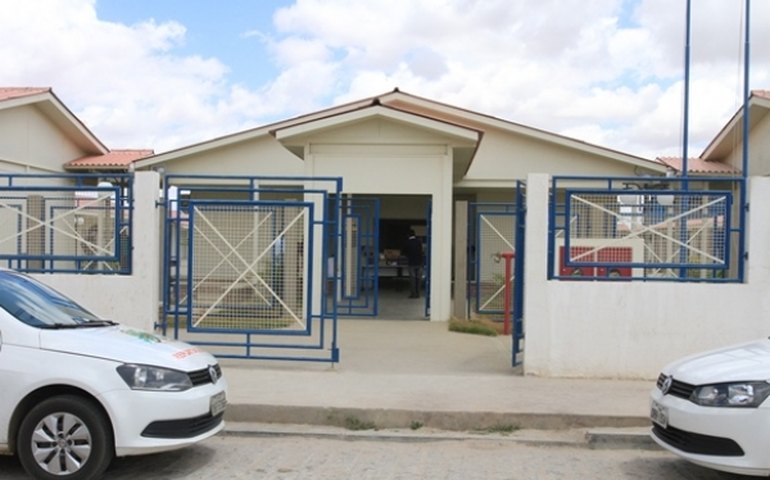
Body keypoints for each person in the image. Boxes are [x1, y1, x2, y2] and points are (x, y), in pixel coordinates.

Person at [404, 229, 423, 298]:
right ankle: (418, 294)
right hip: (419, 263)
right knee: (418, 279)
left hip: (411, 263)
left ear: (408, 235)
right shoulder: (419, 242)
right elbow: (421, 251)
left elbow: (405, 252)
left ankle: (413, 294)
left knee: (412, 279)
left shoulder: (407, 242)